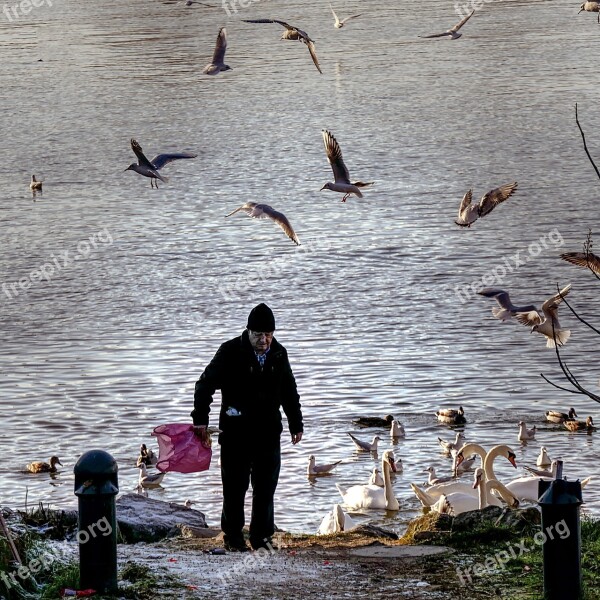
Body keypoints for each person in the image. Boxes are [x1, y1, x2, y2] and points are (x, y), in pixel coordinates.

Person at [191, 303, 303, 552]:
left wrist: (296, 423)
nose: (264, 340)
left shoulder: (279, 354)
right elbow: (204, 385)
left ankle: (262, 538)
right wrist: (201, 419)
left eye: (268, 334)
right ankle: (233, 538)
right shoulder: (230, 352)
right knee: (234, 487)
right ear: (248, 331)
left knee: (265, 488)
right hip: (235, 434)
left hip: (268, 434)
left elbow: (289, 391)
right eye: (258, 335)